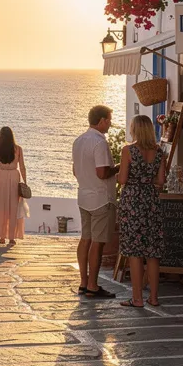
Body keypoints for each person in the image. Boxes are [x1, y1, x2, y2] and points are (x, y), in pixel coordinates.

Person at [117, 115, 167, 307]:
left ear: (135, 129)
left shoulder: (128, 151)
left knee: (135, 252)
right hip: (151, 202)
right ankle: (154, 298)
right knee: (152, 253)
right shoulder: (159, 152)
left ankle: (137, 298)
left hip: (132, 203)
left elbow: (122, 179)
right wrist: (148, 181)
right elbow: (161, 181)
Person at [72, 105, 118, 298]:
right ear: (101, 121)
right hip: (100, 198)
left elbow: (75, 170)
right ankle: (93, 285)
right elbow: (102, 172)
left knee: (85, 239)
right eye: (108, 120)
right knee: (98, 243)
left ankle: (83, 282)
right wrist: (117, 168)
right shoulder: (99, 142)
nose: (110, 124)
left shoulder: (78, 141)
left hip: (84, 196)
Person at [0, 127, 28, 246]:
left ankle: (2, 236)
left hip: (1, 177)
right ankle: (11, 237)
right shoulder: (18, 149)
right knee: (13, 207)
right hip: (14, 177)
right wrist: (25, 182)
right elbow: (22, 167)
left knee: (1, 207)